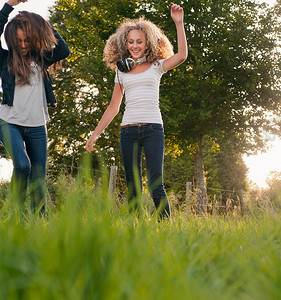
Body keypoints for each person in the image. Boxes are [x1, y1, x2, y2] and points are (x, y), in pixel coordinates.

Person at [85, 3, 187, 219]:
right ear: (125, 43)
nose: (134, 45)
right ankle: (136, 234)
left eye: (139, 41)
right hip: (128, 132)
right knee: (133, 187)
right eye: (131, 42)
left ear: (147, 42)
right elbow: (114, 107)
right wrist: (95, 134)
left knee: (155, 184)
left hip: (153, 130)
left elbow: (181, 56)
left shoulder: (157, 65)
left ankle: (165, 230)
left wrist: (179, 23)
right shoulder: (121, 72)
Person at [0, 0, 70, 214]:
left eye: (26, 40)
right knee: (22, 165)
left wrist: (41, 23)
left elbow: (64, 49)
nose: (22, 45)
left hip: (38, 126)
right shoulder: (5, 59)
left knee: (38, 179)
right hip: (9, 122)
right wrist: (8, 6)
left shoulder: (42, 59)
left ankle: (38, 224)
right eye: (18, 40)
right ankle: (16, 216)